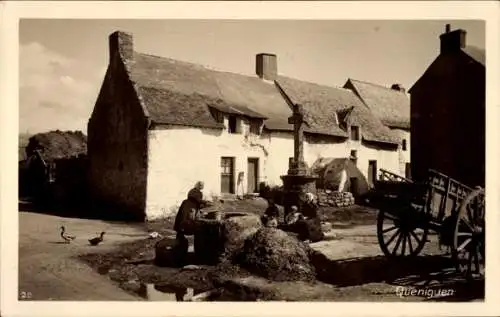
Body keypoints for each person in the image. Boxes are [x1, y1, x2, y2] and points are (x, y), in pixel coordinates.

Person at [173, 181, 207, 266]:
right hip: (185, 223)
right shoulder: (194, 202)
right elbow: (198, 202)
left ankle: (179, 254)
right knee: (197, 232)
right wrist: (205, 203)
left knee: (180, 236)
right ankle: (188, 257)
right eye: (202, 185)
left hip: (181, 225)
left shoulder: (186, 200)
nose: (202, 187)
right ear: (200, 186)